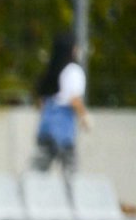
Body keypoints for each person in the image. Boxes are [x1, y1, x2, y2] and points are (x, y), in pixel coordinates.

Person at [31, 32, 91, 175]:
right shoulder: (73, 70)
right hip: (63, 126)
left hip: (46, 126)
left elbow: (41, 103)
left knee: (40, 168)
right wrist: (84, 116)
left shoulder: (51, 71)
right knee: (69, 167)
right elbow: (74, 99)